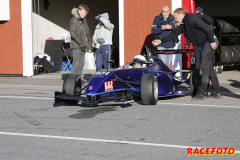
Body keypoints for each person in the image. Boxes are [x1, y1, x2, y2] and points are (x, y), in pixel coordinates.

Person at [152, 8, 221, 100]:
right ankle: (216, 92)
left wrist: (212, 41)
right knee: (209, 68)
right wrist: (160, 41)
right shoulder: (183, 24)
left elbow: (206, 27)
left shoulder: (191, 17)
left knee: (204, 69)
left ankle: (201, 93)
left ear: (181, 14)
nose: (175, 20)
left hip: (209, 42)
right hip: (202, 44)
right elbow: (174, 34)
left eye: (176, 17)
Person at [70, 4, 92, 77]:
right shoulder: (74, 19)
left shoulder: (83, 20)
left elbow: (87, 32)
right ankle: (72, 82)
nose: (85, 14)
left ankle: (78, 81)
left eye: (86, 13)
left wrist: (89, 43)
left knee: (81, 65)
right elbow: (72, 33)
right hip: (76, 46)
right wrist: (80, 42)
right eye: (84, 12)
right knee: (76, 65)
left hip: (83, 46)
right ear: (79, 11)